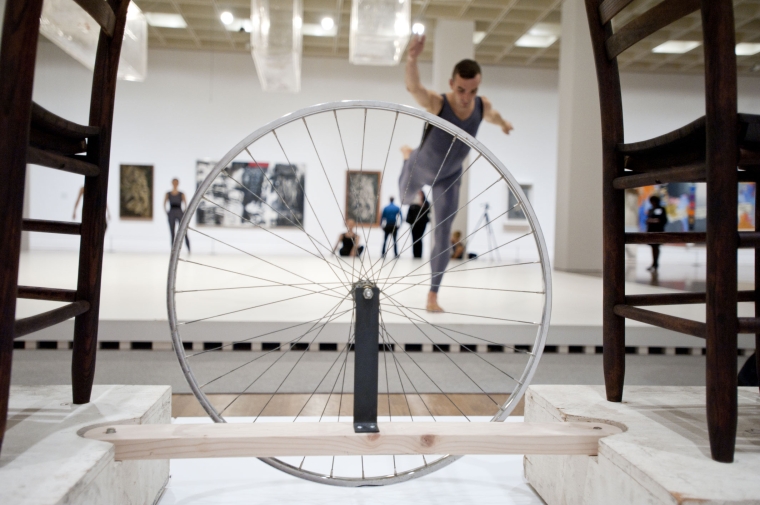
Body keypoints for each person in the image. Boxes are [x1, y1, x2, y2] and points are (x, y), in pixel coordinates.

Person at [401, 34, 513, 312]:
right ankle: (406, 155)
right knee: (405, 199)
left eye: (472, 91)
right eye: (461, 90)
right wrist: (412, 58)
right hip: (420, 167)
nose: (466, 98)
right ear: (452, 84)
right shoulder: (440, 103)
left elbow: (493, 115)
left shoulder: (480, 105)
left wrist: (503, 124)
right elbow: (414, 88)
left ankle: (433, 295)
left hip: (449, 176)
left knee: (443, 233)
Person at [164, 178, 190, 252]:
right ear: (172, 183)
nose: (175, 184)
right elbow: (164, 203)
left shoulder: (181, 194)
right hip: (171, 212)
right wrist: (167, 212)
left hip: (179, 212)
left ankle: (188, 248)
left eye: (176, 182)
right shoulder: (168, 193)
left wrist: (184, 212)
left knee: (183, 230)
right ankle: (173, 250)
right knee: (172, 232)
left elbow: (185, 203)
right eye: (174, 182)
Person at [405, 189, 430, 258]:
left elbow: (428, 211)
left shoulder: (426, 203)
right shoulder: (413, 203)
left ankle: (419, 254)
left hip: (422, 224)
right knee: (414, 239)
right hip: (414, 224)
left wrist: (421, 205)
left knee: (419, 238)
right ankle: (415, 254)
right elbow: (409, 214)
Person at [646, 195, 667, 272]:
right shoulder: (651, 210)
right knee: (653, 248)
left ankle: (655, 263)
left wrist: (653, 221)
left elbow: (663, 220)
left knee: (656, 247)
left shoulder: (661, 209)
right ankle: (654, 263)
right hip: (651, 231)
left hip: (658, 231)